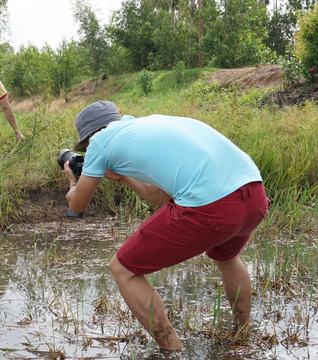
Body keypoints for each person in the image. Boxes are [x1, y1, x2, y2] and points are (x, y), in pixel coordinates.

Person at [63, 101, 270, 351]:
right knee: (227, 257)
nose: (88, 150)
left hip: (212, 206)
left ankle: (172, 351)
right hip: (255, 196)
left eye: (85, 147)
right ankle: (242, 334)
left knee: (123, 268)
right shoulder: (153, 122)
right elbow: (160, 197)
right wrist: (123, 179)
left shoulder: (101, 141)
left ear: (91, 136)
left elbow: (77, 206)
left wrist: (73, 182)